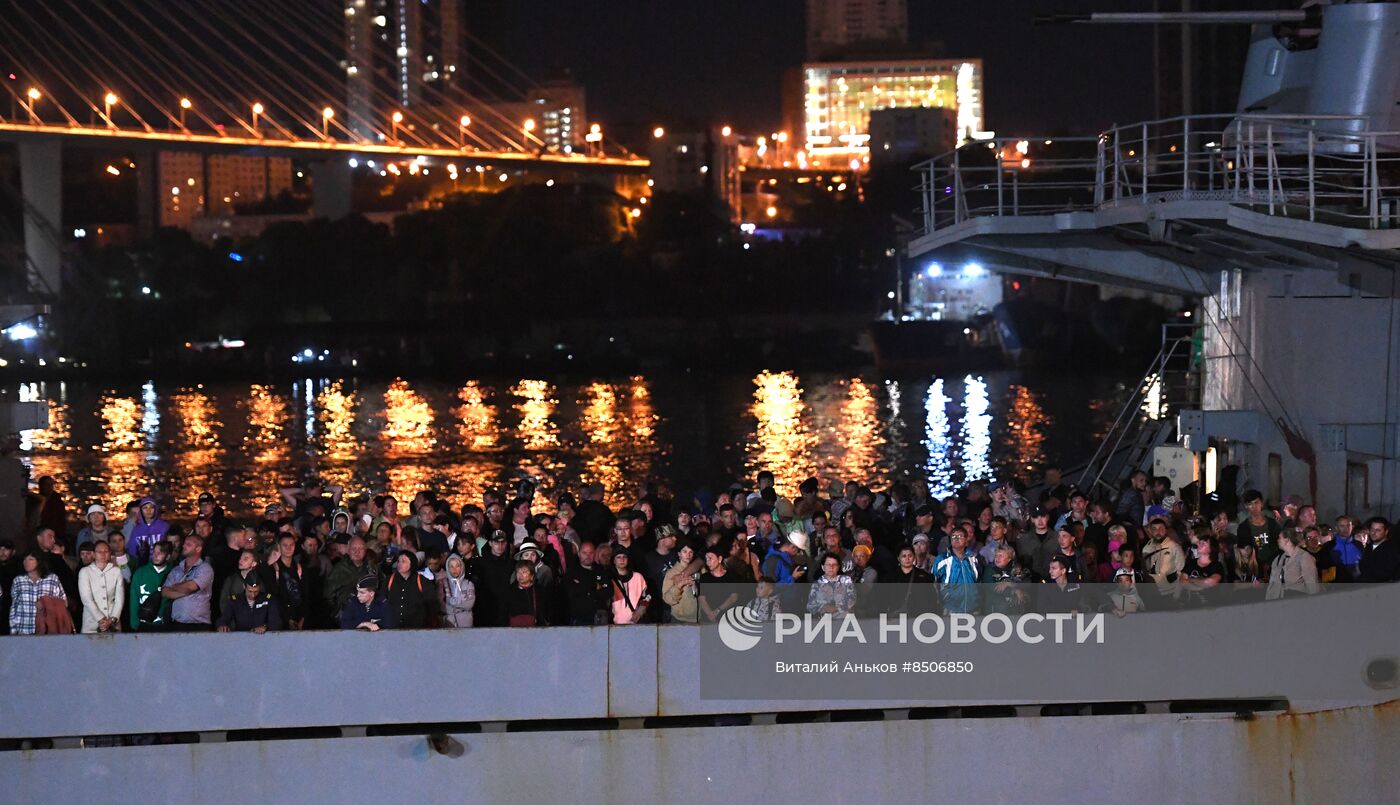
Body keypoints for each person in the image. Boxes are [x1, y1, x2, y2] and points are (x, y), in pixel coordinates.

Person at [161, 533, 213, 630]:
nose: (184, 546)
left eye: (189, 544)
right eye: (184, 543)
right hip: (177, 624)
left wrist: (174, 587)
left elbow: (191, 586)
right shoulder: (177, 569)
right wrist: (185, 591)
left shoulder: (205, 568)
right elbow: (164, 592)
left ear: (198, 549)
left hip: (199, 625)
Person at [8, 551, 67, 635]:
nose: (26, 562)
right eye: (24, 559)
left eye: (30, 559)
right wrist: (13, 629)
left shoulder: (52, 579)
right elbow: (14, 606)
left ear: (39, 561)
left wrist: (46, 602)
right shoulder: (18, 580)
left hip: (47, 631)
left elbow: (63, 602)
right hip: (24, 630)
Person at [78, 540, 124, 633]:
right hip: (91, 622)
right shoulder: (85, 571)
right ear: (94, 554)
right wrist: (101, 619)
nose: (103, 554)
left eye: (106, 551)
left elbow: (119, 599)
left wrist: (112, 619)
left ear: (110, 553)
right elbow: (86, 599)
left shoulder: (116, 571)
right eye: (99, 552)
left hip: (112, 622)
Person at [932, 530, 983, 614]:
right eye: (953, 536)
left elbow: (979, 582)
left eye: (960, 536)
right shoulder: (942, 559)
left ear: (966, 541)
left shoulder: (973, 559)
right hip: (950, 609)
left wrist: (978, 602)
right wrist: (939, 604)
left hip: (973, 609)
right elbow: (933, 583)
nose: (956, 538)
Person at [216, 572, 283, 633]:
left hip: (263, 639)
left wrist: (265, 627)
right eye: (250, 591)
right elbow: (223, 619)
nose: (253, 595)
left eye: (256, 591)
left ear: (260, 587)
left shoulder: (269, 599)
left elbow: (276, 622)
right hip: (241, 639)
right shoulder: (235, 601)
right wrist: (222, 626)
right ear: (244, 587)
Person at [128, 540, 173, 631]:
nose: (155, 555)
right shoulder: (140, 573)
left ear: (168, 557)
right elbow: (134, 599)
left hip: (165, 625)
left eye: (160, 553)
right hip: (144, 623)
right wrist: (134, 624)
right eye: (154, 552)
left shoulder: (173, 572)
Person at [383, 551, 435, 629]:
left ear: (412, 563)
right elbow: (382, 600)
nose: (399, 564)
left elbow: (431, 604)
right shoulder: (389, 580)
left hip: (416, 628)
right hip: (393, 627)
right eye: (398, 561)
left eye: (403, 561)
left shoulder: (422, 581)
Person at [564, 541, 609, 626]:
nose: (588, 556)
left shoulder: (602, 571)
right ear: (579, 554)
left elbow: (608, 592)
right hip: (579, 619)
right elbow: (571, 593)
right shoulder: (572, 572)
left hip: (599, 618)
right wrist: (595, 586)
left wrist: (583, 587)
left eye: (591, 552)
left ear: (595, 554)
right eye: (584, 553)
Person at [1266, 530, 1320, 599]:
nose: (1278, 540)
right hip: (1279, 601)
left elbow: (1312, 584)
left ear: (1287, 540)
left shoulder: (1304, 557)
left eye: (1280, 538)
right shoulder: (1278, 559)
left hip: (1297, 600)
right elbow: (1272, 584)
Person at [661, 542, 702, 624]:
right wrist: (678, 586)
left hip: (699, 617)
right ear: (679, 554)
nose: (688, 555)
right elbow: (667, 599)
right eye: (685, 552)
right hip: (680, 619)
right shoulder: (672, 573)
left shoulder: (700, 570)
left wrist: (695, 586)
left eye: (691, 552)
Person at [806, 553, 855, 617]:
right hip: (823, 621)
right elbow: (810, 606)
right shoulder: (816, 585)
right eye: (828, 564)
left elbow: (852, 599)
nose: (831, 567)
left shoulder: (846, 580)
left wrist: (836, 608)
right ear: (823, 567)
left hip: (844, 619)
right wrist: (823, 607)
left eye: (834, 565)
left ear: (838, 567)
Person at [127, 497, 171, 567]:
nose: (149, 510)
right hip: (143, 565)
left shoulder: (164, 527)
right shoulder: (136, 530)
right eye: (145, 508)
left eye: (151, 507)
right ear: (141, 510)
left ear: (155, 509)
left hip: (162, 564)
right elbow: (132, 549)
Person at [697, 547, 737, 623]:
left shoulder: (731, 576)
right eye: (706, 559)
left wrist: (717, 610)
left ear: (719, 559)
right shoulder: (704, 577)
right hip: (707, 620)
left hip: (727, 618)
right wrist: (711, 616)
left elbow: (733, 597)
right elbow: (702, 599)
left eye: (710, 558)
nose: (708, 562)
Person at [609, 551, 650, 625]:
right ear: (614, 561)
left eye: (624, 557)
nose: (622, 559)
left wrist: (639, 613)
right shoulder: (609, 579)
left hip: (636, 623)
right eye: (618, 557)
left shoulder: (638, 577)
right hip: (615, 625)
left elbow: (647, 597)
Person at [503, 560, 547, 627]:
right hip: (512, 631)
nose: (520, 575)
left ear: (532, 575)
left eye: (524, 572)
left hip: (535, 630)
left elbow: (544, 613)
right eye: (518, 572)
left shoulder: (539, 590)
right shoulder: (509, 591)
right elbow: (504, 613)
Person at [437, 553, 476, 628]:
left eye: (457, 566)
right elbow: (440, 603)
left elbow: (470, 603)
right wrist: (454, 607)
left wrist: (452, 604)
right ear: (447, 568)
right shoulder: (442, 583)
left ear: (462, 567)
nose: (454, 569)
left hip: (465, 621)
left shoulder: (468, 584)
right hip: (448, 622)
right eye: (451, 566)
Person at [1359, 517, 1399, 583]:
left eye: (1378, 530)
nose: (1374, 533)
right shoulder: (1368, 547)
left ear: (1386, 532)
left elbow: (1387, 574)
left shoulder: (1391, 550)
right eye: (1372, 529)